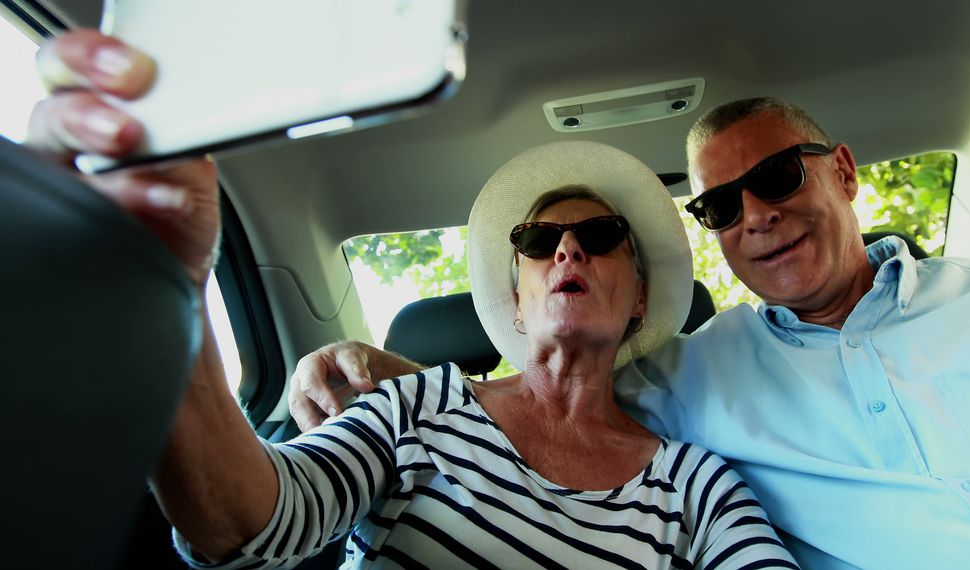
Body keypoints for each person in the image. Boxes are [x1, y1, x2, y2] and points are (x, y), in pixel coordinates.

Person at [27, 31, 800, 568]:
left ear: (638, 298)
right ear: (515, 298)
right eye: (539, 243)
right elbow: (256, 528)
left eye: (600, 237)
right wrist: (171, 289)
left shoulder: (693, 484)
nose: (568, 250)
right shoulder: (417, 404)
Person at [292, 97, 970, 569]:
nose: (757, 217)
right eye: (722, 208)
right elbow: (548, 400)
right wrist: (384, 380)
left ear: (843, 171)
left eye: (775, 178)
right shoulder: (695, 375)